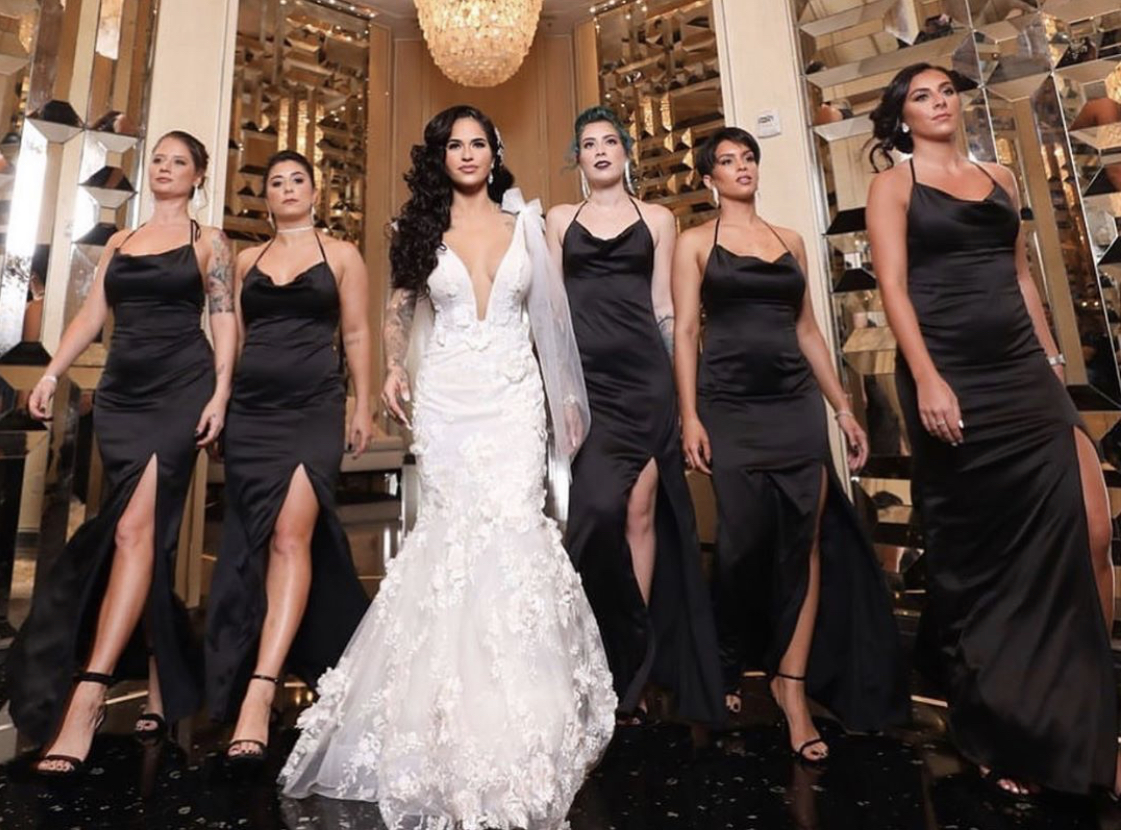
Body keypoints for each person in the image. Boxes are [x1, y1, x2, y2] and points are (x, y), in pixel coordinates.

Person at [279, 105, 616, 829]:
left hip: (515, 397)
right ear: (440, 158)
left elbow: (551, 322)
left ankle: (524, 713)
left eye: (478, 143)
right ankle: (441, 714)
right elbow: (398, 309)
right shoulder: (417, 229)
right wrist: (394, 367)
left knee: (514, 532)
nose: (467, 153)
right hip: (449, 399)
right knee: (453, 541)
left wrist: (565, 398)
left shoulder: (528, 225)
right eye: (454, 145)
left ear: (495, 153)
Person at [866, 62, 1119, 796]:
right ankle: (1005, 726)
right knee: (988, 559)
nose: (939, 102)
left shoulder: (1000, 177)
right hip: (951, 375)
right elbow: (892, 287)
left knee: (1090, 531)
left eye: (946, 91)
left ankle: (1086, 721)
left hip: (1022, 375)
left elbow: (1021, 277)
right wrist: (926, 377)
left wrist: (1050, 364)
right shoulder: (894, 186)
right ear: (903, 117)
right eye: (922, 96)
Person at [674, 127, 907, 764]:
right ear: (709, 179)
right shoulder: (694, 243)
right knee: (742, 543)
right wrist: (689, 415)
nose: (742, 167)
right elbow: (687, 332)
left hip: (793, 404)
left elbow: (806, 331)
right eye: (728, 161)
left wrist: (842, 407)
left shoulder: (790, 241)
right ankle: (728, 656)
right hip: (729, 405)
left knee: (804, 539)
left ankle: (792, 687)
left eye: (748, 158)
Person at [9, 130, 236, 776]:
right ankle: (167, 680)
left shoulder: (210, 241)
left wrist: (221, 394)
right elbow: (90, 316)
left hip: (181, 389)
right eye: (158, 159)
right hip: (122, 398)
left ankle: (90, 693)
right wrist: (52, 373)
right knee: (144, 542)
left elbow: (225, 320)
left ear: (197, 176)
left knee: (135, 532)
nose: (165, 168)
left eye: (178, 162)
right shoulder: (121, 241)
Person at [546, 105, 722, 726]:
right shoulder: (559, 220)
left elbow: (665, 309)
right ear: (578, 157)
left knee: (641, 514)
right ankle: (597, 648)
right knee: (595, 513)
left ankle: (634, 669)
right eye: (588, 143)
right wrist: (563, 395)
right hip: (588, 385)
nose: (599, 150)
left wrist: (682, 397)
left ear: (625, 152)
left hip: (645, 380)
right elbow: (554, 315)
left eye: (609, 141)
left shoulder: (658, 219)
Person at [204, 150, 372, 766]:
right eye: (276, 182)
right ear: (267, 197)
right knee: (250, 541)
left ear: (315, 191)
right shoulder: (247, 261)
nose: (287, 188)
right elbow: (232, 339)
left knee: (290, 537)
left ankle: (261, 689)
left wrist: (361, 405)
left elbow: (356, 334)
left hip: (314, 407)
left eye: (298, 179)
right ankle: (253, 665)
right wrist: (221, 399)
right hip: (253, 411)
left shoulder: (342, 255)